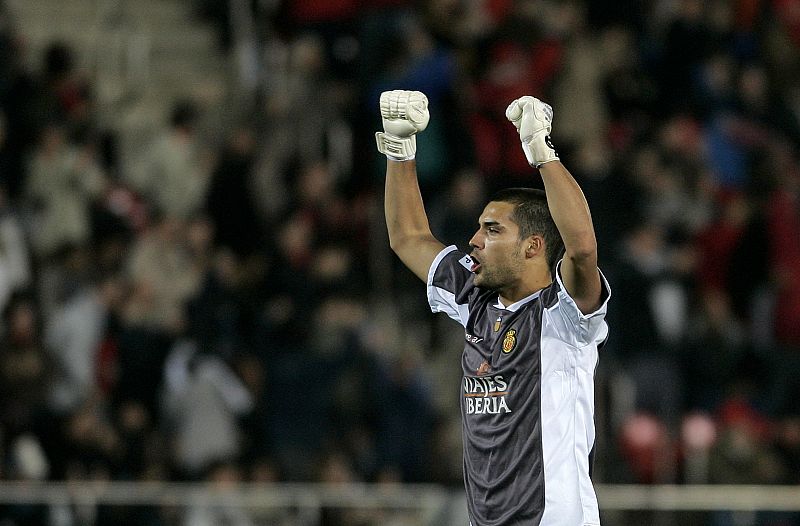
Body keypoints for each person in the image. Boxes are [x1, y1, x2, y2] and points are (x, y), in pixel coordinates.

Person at [376, 90, 610, 525]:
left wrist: (542, 153)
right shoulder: (475, 298)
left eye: (492, 230)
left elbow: (581, 249)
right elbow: (408, 237)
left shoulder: (564, 316)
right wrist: (399, 147)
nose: (475, 240)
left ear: (533, 247)